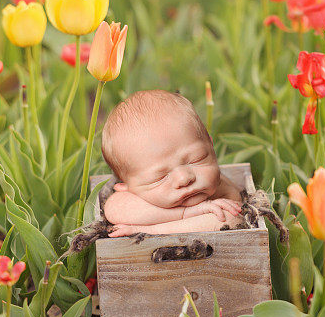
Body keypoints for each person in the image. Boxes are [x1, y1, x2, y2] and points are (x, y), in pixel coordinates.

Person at [101, 90, 243, 237]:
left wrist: (151, 231)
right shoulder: (131, 197)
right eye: (160, 177)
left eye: (196, 159)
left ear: (211, 146)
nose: (184, 178)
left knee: (229, 218)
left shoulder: (221, 189)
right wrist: (186, 213)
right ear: (125, 186)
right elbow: (113, 210)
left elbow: (233, 219)